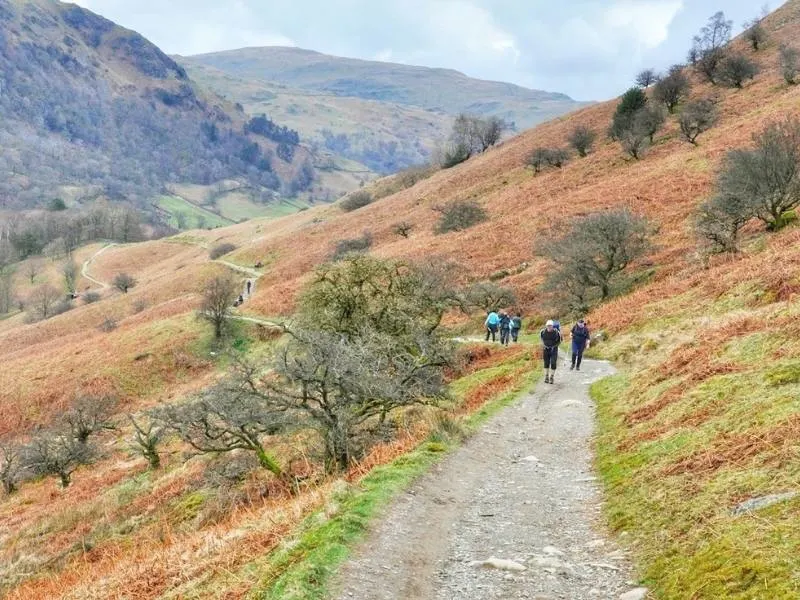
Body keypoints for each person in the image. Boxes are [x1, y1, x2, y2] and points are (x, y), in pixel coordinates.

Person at [540, 319, 562, 384]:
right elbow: (541, 339)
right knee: (546, 363)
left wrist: (555, 346)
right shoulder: (543, 332)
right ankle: (546, 376)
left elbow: (560, 341)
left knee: (553, 363)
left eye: (550, 326)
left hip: (554, 350)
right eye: (548, 326)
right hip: (545, 349)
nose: (549, 327)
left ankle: (551, 377)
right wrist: (543, 345)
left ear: (553, 326)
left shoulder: (556, 332)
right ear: (546, 326)